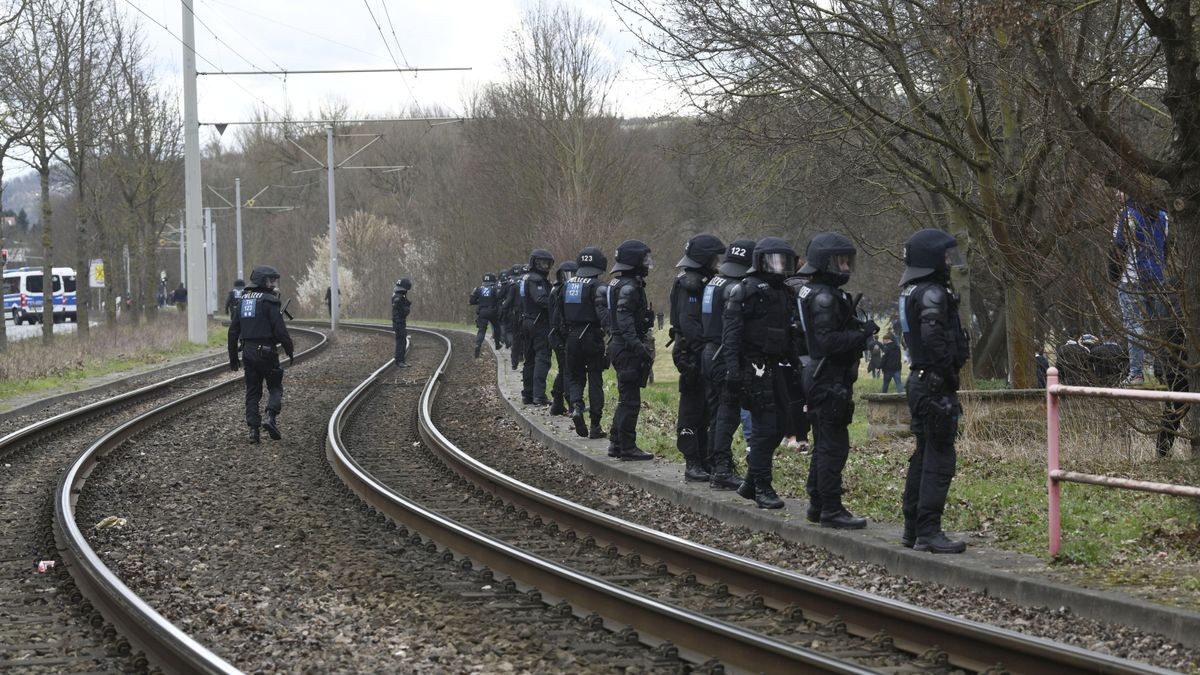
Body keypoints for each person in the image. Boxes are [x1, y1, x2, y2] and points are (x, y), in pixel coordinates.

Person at [898, 228, 969, 553]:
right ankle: (928, 531)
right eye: (944, 255)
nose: (948, 261)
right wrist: (948, 372)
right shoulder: (931, 293)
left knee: (924, 453)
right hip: (933, 383)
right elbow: (934, 338)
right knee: (940, 458)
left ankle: (913, 528)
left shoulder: (912, 291)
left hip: (920, 379)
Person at [798, 233, 875, 525]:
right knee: (833, 445)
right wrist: (862, 334)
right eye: (839, 261)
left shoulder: (815, 291)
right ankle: (830, 508)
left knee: (824, 442)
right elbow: (828, 342)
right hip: (827, 376)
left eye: (847, 261)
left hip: (824, 375)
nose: (845, 267)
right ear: (824, 262)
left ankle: (817, 503)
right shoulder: (824, 297)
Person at [723, 237, 800, 509]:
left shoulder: (785, 293)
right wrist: (733, 371)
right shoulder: (745, 291)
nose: (780, 267)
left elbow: (788, 333)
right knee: (765, 428)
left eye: (785, 261)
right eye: (775, 261)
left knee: (780, 425)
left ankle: (750, 483)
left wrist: (795, 362)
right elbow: (731, 336)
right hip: (751, 367)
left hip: (774, 365)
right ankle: (762, 487)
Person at [670, 233, 725, 482]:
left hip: (702, 352)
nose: (717, 261)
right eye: (714, 257)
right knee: (692, 409)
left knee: (705, 409)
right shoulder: (689, 284)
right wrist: (700, 349)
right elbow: (689, 322)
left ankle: (703, 459)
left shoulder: (705, 281)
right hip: (692, 353)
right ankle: (692, 461)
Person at [701, 239, 755, 489]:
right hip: (724, 354)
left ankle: (715, 464)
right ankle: (721, 467)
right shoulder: (735, 287)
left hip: (708, 351)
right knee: (727, 413)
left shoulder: (714, 281)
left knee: (716, 412)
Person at [228, 265, 294, 443]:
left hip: (248, 353)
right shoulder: (269, 301)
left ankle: (253, 431)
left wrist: (233, 358)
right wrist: (289, 349)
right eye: (270, 280)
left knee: (252, 392)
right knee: (275, 387)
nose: (273, 284)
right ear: (262, 281)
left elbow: (233, 332)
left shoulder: (242, 302)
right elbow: (280, 331)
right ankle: (270, 417)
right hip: (267, 352)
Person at [1111, 192, 1169, 386]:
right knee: (1161, 324)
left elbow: (1118, 245)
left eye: (1120, 190)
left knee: (1134, 325)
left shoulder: (1127, 214)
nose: (1117, 194)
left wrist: (1114, 275)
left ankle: (1136, 374)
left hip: (1132, 277)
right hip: (1158, 277)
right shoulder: (1163, 215)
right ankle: (1163, 370)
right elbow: (1165, 246)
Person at [606, 239, 655, 460]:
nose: (647, 264)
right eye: (644, 259)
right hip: (626, 348)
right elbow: (624, 321)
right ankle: (627, 446)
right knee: (630, 400)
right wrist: (639, 347)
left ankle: (616, 443)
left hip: (619, 346)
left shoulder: (617, 283)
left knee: (626, 397)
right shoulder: (629, 287)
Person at [563, 246, 610, 439]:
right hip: (592, 336)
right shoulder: (598, 286)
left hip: (571, 336)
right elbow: (603, 314)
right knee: (595, 379)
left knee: (575, 377)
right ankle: (595, 425)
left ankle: (576, 407)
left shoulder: (568, 285)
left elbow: (558, 313)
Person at [520, 250, 555, 405]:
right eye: (542, 263)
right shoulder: (536, 279)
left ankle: (528, 394)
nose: (545, 266)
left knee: (530, 359)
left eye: (548, 263)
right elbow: (540, 299)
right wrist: (556, 304)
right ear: (534, 262)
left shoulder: (525, 278)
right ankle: (538, 395)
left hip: (527, 320)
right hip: (538, 322)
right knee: (542, 358)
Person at [548, 260, 578, 415]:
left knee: (563, 369)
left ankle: (557, 403)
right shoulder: (558, 291)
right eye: (566, 274)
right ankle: (571, 403)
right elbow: (557, 317)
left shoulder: (559, 290)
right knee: (568, 370)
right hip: (559, 336)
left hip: (558, 335)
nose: (569, 277)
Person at [470, 272, 502, 358]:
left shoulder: (478, 289)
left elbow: (471, 301)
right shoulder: (495, 288)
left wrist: (480, 301)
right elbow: (499, 298)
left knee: (481, 330)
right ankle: (497, 344)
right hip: (493, 311)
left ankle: (478, 345)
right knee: (496, 327)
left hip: (482, 311)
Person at [502, 263, 526, 371]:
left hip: (516, 314)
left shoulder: (514, 284)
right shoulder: (533, 282)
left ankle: (515, 362)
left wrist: (503, 311)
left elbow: (509, 300)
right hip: (530, 315)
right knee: (526, 337)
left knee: (516, 338)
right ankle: (525, 357)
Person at [391, 278, 412, 367]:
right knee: (401, 342)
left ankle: (401, 360)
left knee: (402, 342)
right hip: (399, 323)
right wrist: (406, 307)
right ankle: (399, 361)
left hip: (400, 322)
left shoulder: (397, 296)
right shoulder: (398, 298)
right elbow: (402, 312)